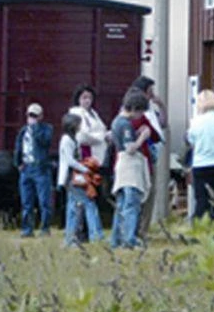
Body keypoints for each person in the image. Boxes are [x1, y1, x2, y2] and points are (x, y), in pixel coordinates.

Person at [110, 90, 152, 249]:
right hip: (129, 168)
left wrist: (136, 133)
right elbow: (130, 148)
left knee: (121, 205)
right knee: (131, 204)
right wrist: (143, 137)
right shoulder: (125, 124)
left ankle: (116, 239)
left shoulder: (116, 122)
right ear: (134, 109)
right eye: (140, 112)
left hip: (121, 166)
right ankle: (129, 239)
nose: (140, 116)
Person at [187, 89, 214, 233]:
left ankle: (201, 230)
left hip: (201, 163)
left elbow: (191, 140)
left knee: (202, 200)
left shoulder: (196, 121)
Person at [57, 113, 103, 247]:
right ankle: (96, 235)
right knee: (89, 202)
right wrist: (85, 169)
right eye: (78, 123)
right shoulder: (66, 140)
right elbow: (70, 160)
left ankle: (70, 238)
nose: (80, 126)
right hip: (72, 175)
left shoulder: (74, 138)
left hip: (75, 174)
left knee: (73, 207)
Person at [131, 76, 167, 239]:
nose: (152, 94)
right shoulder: (136, 111)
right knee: (143, 191)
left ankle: (143, 229)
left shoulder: (150, 110)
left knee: (151, 190)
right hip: (142, 155)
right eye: (150, 90)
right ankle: (137, 229)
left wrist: (161, 105)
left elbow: (162, 124)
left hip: (152, 154)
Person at [13, 103, 54, 238]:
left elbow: (45, 142)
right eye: (30, 115)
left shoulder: (46, 129)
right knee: (26, 202)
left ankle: (45, 228)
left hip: (40, 168)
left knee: (44, 201)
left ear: (41, 116)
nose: (32, 118)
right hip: (26, 168)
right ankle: (27, 229)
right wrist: (18, 163)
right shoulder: (23, 131)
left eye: (35, 116)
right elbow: (18, 146)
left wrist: (35, 128)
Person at [69, 84, 110, 165]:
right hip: (87, 154)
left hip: (99, 153)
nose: (87, 100)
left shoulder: (93, 113)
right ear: (78, 99)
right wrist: (102, 136)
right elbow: (82, 136)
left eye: (90, 98)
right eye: (84, 98)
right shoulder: (76, 113)